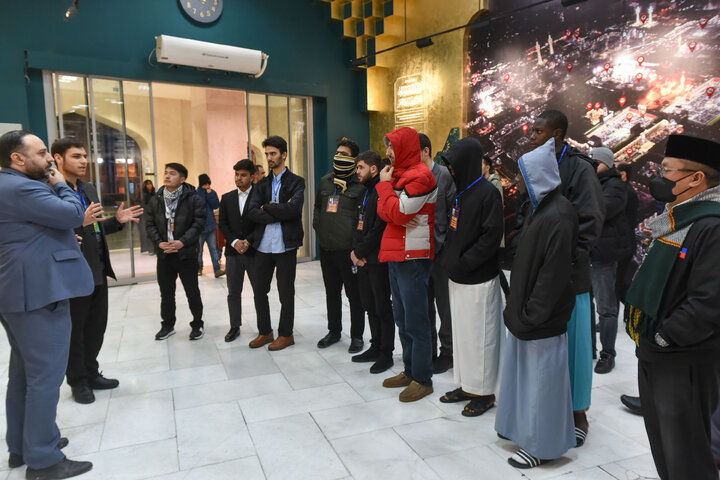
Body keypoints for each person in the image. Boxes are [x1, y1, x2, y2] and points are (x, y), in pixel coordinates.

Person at [625, 135, 720, 480]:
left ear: (696, 178)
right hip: (656, 353)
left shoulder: (711, 224)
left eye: (667, 171)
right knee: (665, 447)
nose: (659, 178)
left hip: (683, 359)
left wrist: (665, 337)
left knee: (687, 454)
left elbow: (709, 304)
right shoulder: (678, 218)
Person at [0, 130, 94, 479]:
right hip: (38, 293)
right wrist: (60, 183)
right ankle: (42, 459)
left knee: (25, 374)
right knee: (45, 377)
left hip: (19, 293)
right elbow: (73, 214)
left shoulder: (8, 186)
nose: (50, 160)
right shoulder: (22, 187)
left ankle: (23, 446)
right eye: (43, 154)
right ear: (18, 159)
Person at [495, 137, 578, 469]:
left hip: (541, 316)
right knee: (525, 379)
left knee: (543, 383)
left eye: (523, 175)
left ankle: (542, 446)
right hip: (527, 311)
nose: (518, 182)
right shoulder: (542, 208)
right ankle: (522, 431)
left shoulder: (559, 215)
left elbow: (553, 275)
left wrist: (531, 313)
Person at [529, 110, 605, 446]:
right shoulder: (534, 164)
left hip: (570, 275)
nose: (531, 136)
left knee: (574, 346)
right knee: (545, 345)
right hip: (538, 272)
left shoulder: (580, 168)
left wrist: (561, 259)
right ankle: (548, 404)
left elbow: (589, 223)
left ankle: (578, 413)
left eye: (538, 131)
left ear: (557, 134)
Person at [52, 138, 143, 405]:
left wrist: (116, 222)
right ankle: (77, 381)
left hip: (96, 268)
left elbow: (94, 227)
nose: (83, 161)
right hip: (72, 272)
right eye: (76, 156)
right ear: (58, 158)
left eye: (84, 156)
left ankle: (92, 373)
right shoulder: (51, 189)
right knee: (75, 331)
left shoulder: (88, 187)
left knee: (96, 328)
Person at [438, 138, 504, 417]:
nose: (451, 169)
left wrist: (464, 263)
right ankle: (466, 385)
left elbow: (491, 238)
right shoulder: (461, 193)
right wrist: (450, 261)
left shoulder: (488, 193)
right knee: (463, 336)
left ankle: (484, 392)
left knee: (481, 338)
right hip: (459, 278)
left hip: (479, 280)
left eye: (455, 163)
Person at [377, 126, 437, 402]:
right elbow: (387, 212)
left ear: (405, 148)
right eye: (387, 146)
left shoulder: (422, 177)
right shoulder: (397, 176)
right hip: (395, 254)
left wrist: (384, 188)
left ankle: (423, 379)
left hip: (413, 257)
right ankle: (410, 371)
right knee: (402, 319)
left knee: (416, 321)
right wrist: (390, 200)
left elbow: (398, 213)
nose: (387, 152)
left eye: (391, 147)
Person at [246, 136, 305, 351]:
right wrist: (279, 209)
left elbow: (294, 210)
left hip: (285, 245)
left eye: (273, 153)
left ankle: (286, 334)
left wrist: (267, 207)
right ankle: (265, 332)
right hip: (263, 246)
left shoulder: (297, 182)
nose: (269, 158)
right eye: (267, 154)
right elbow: (252, 213)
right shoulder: (260, 184)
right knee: (259, 290)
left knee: (285, 292)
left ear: (284, 154)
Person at [314, 138, 366, 353]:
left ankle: (357, 336)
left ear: (354, 159)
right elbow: (318, 208)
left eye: (344, 155)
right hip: (327, 248)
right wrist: (319, 228)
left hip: (348, 251)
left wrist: (356, 246)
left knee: (354, 295)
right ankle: (334, 331)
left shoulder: (360, 185)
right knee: (331, 293)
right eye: (337, 154)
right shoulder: (326, 181)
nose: (339, 158)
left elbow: (362, 219)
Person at [145, 163, 206, 341]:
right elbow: (149, 224)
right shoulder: (156, 199)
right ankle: (168, 325)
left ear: (182, 179)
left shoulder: (193, 198)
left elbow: (199, 223)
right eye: (165, 173)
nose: (167, 176)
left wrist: (182, 242)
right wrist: (159, 243)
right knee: (166, 292)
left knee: (192, 291)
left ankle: (197, 324)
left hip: (186, 254)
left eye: (172, 174)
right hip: (165, 255)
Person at [588, 147, 632, 374]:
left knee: (606, 308)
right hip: (585, 253)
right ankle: (589, 348)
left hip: (603, 255)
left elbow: (600, 210)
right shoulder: (592, 182)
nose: (593, 164)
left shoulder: (615, 185)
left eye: (596, 161)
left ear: (607, 163)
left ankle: (608, 353)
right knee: (585, 305)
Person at [351, 151, 394, 373]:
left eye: (360, 168)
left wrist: (359, 250)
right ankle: (375, 346)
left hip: (378, 259)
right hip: (364, 258)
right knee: (369, 305)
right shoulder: (365, 191)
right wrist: (356, 251)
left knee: (382, 307)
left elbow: (380, 227)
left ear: (373, 169)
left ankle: (387, 353)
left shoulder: (381, 191)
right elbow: (359, 224)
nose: (357, 172)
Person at [418, 133, 456, 374]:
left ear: (426, 151)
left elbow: (453, 214)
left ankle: (448, 352)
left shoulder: (444, 176)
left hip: (441, 251)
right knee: (424, 306)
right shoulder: (412, 178)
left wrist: (446, 243)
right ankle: (429, 349)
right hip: (419, 252)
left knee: (445, 306)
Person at [218, 159, 257, 343]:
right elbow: (223, 224)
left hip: (255, 251)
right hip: (233, 253)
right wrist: (234, 242)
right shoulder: (227, 198)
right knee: (233, 291)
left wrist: (248, 241)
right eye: (236, 175)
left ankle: (263, 327)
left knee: (259, 290)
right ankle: (235, 326)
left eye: (243, 175)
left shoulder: (260, 195)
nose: (239, 178)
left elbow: (263, 222)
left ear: (252, 176)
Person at [615, 162, 639, 303]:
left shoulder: (625, 192)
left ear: (623, 174)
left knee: (617, 282)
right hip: (625, 242)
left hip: (623, 242)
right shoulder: (627, 190)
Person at [196, 173, 224, 278]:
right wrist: (205, 194)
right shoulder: (196, 193)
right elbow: (200, 205)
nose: (208, 186)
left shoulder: (212, 192)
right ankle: (199, 268)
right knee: (199, 250)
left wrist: (210, 194)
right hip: (200, 228)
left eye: (208, 184)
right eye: (205, 184)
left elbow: (215, 205)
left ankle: (217, 270)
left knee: (213, 249)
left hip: (211, 226)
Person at [140, 180, 156, 254]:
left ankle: (154, 249)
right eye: (147, 184)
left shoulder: (154, 194)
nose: (149, 186)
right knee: (148, 232)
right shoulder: (143, 195)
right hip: (146, 216)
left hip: (154, 215)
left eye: (150, 184)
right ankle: (150, 249)